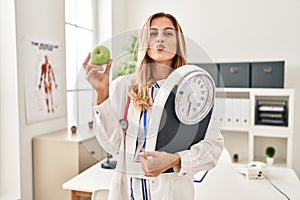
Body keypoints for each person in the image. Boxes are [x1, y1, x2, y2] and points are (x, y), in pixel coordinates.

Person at [83, 12, 224, 200]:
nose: (160, 39)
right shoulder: (123, 87)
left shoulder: (196, 90)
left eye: (168, 33)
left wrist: (176, 160)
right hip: (128, 191)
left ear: (178, 43)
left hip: (172, 192)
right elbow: (113, 145)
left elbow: (213, 147)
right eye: (153, 33)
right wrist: (102, 94)